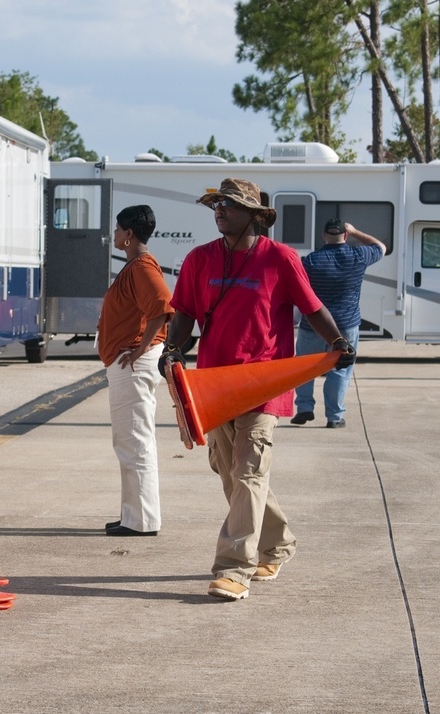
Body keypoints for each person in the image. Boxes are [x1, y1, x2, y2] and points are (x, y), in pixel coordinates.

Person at [160, 178, 355, 601]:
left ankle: (234, 568)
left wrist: (338, 343)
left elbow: (313, 308)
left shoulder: (280, 259)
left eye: (228, 205)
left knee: (249, 473)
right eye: (216, 204)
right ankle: (279, 542)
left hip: (263, 384)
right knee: (231, 474)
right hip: (213, 386)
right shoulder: (199, 259)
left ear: (254, 214)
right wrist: (173, 349)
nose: (219, 211)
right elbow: (186, 313)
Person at [97, 205, 174, 537]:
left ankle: (142, 520)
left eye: (117, 230)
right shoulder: (135, 266)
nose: (114, 235)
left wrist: (141, 348)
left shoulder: (142, 266)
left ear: (128, 234)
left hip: (133, 365)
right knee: (128, 440)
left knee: (135, 441)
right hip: (127, 363)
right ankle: (133, 514)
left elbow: (162, 308)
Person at [292, 219, 385, 429]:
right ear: (345, 236)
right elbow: (381, 247)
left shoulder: (311, 260)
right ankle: (334, 417)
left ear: (324, 236)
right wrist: (356, 231)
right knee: (340, 370)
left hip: (314, 324)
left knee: (304, 367)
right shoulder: (359, 256)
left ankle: (304, 408)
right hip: (346, 325)